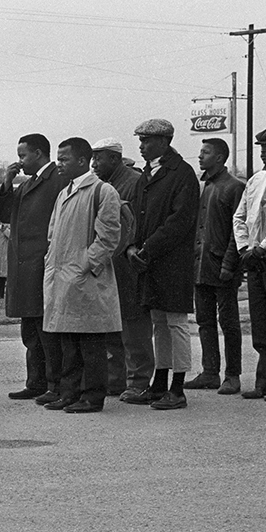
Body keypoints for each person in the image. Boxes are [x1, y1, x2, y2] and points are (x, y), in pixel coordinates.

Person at [39, 138, 122, 413]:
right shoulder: (65, 192)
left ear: (82, 161)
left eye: (64, 159)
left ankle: (93, 396)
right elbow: (53, 233)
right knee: (68, 341)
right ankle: (70, 392)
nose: (59, 164)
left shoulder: (102, 191)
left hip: (84, 279)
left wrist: (83, 266)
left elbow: (108, 237)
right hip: (62, 277)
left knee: (90, 341)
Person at [123, 118, 199, 410]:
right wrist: (131, 247)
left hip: (172, 261)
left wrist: (147, 248)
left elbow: (180, 221)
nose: (141, 146)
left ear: (165, 141)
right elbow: (139, 217)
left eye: (146, 141)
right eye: (140, 140)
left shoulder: (182, 173)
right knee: (158, 322)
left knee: (176, 323)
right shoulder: (147, 174)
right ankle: (159, 382)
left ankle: (177, 388)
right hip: (149, 260)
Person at [0, 133, 65, 400]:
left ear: (38, 153)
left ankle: (54, 384)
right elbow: (5, 215)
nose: (20, 161)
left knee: (47, 330)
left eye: (23, 155)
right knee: (31, 330)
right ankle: (35, 382)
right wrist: (6, 184)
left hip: (43, 264)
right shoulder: (27, 185)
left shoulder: (57, 181)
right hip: (24, 266)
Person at [183, 137, 245, 394]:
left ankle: (233, 374)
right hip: (201, 265)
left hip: (223, 266)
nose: (200, 156)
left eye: (205, 152)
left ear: (219, 157)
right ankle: (210, 372)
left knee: (228, 322)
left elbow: (237, 230)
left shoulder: (234, 187)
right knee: (204, 320)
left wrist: (230, 264)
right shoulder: (204, 186)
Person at [91, 138, 149, 398]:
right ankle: (116, 379)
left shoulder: (134, 183)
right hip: (109, 264)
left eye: (98, 158)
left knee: (132, 325)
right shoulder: (104, 185)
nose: (94, 164)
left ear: (114, 158)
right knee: (112, 324)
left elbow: (134, 225)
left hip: (127, 264)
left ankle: (138, 380)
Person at [234, 127, 266, 401]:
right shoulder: (255, 180)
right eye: (261, 146)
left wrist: (264, 247)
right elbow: (239, 216)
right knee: (260, 325)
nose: (263, 150)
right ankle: (263, 382)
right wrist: (245, 247)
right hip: (255, 261)